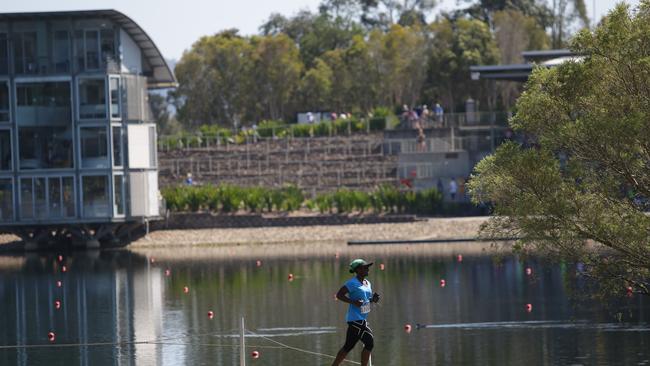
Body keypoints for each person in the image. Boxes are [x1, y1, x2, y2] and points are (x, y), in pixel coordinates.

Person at [332, 259, 380, 366]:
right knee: (369, 342)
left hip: (361, 319)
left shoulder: (368, 283)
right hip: (355, 319)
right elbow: (339, 295)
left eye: (368, 267)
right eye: (365, 267)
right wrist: (353, 302)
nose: (368, 269)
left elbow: (366, 300)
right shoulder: (352, 283)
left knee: (348, 346)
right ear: (358, 270)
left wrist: (373, 300)